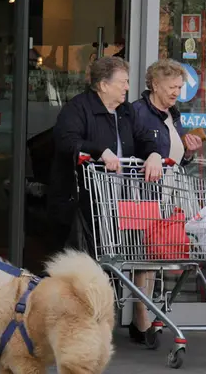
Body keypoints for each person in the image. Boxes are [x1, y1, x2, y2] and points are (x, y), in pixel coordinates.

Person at [47, 55, 162, 261]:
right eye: (123, 82)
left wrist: (154, 154)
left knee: (117, 263)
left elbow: (145, 138)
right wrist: (99, 151)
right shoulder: (78, 108)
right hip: (84, 205)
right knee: (84, 267)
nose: (127, 87)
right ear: (103, 85)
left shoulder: (126, 111)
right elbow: (66, 140)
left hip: (119, 203)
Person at [128, 58, 204, 344]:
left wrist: (190, 150)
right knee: (147, 256)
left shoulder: (173, 114)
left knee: (160, 253)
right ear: (155, 84)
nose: (176, 92)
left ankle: (147, 314)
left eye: (180, 87)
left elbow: (178, 156)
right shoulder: (137, 112)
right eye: (172, 87)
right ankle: (141, 319)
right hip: (145, 191)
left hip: (170, 189)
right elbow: (135, 150)